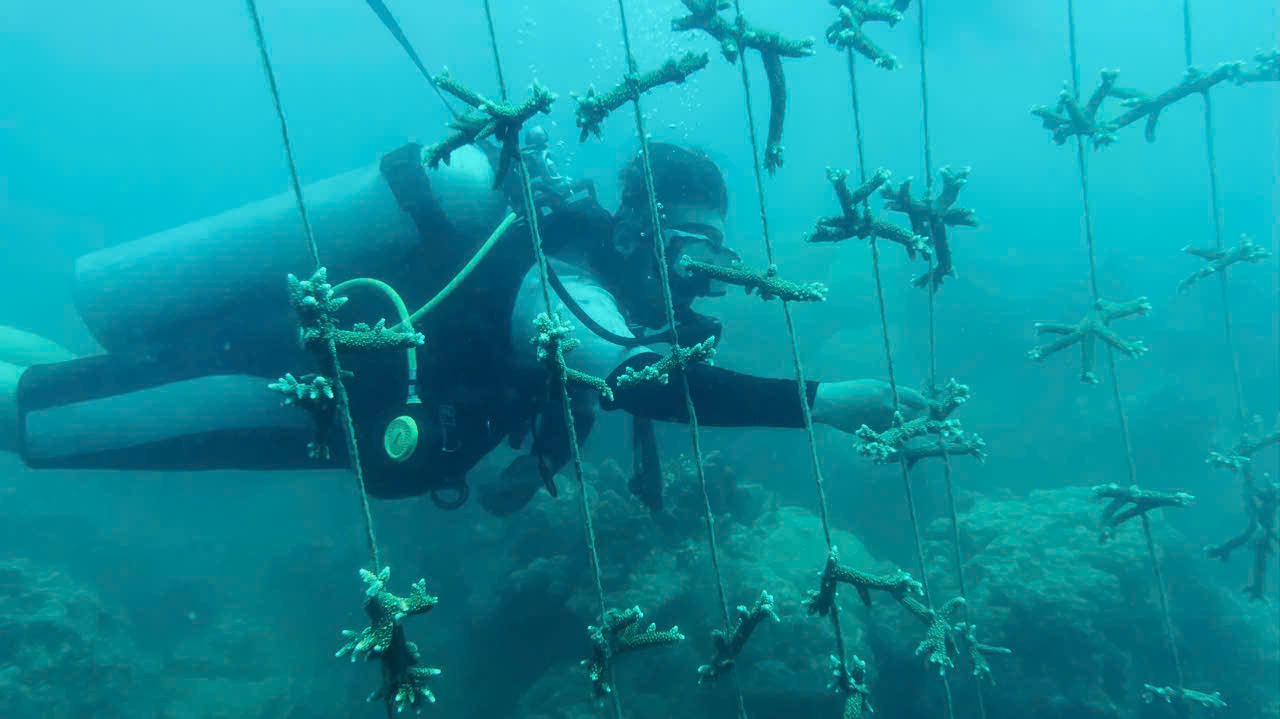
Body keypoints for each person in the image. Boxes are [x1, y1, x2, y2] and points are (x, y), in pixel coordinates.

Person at [0, 132, 926, 515]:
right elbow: (640, 375)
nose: (702, 269)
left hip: (293, 378)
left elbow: (586, 376)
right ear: (641, 227)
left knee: (73, 387)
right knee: (38, 421)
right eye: (687, 242)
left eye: (713, 249)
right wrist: (827, 400)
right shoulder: (568, 278)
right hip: (279, 379)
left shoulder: (584, 287)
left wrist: (539, 465)